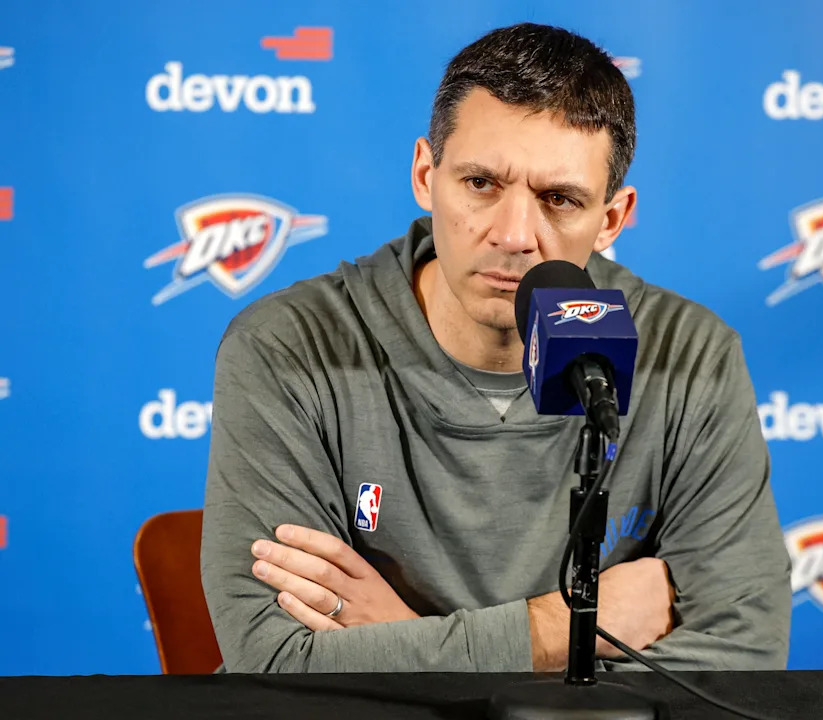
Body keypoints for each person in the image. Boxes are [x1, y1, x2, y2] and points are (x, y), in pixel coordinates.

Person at [200, 22, 791, 673]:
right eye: (481, 183)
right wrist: (574, 628)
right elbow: (275, 662)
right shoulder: (291, 348)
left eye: (559, 199)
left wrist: (403, 641)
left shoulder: (690, 355)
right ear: (427, 175)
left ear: (613, 218)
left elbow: (746, 654)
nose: (514, 235)